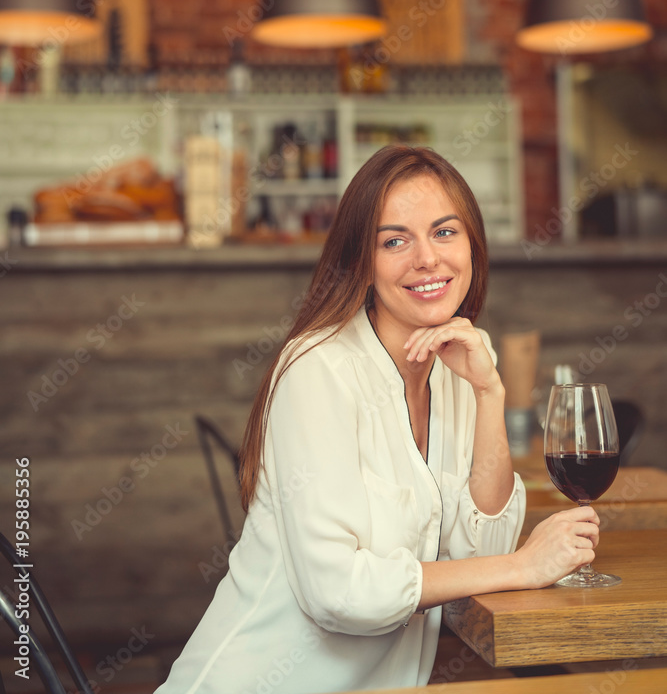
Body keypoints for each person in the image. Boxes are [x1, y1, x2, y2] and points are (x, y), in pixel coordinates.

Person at [155, 146, 599, 694]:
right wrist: (524, 567)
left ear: (473, 246)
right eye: (394, 241)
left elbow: (479, 556)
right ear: (362, 263)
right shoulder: (318, 369)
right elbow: (337, 592)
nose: (426, 259)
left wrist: (489, 392)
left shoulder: (459, 359)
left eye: (444, 232)